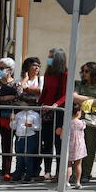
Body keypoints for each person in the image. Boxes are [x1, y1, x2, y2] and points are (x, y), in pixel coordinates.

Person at [73, 62, 96, 181]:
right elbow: (74, 97)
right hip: (79, 119)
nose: (84, 74)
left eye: (87, 71)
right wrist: (91, 100)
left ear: (94, 72)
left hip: (93, 121)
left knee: (90, 147)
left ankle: (86, 174)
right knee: (76, 146)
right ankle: (75, 174)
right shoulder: (79, 84)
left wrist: (83, 100)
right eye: (83, 71)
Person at [36, 49, 68, 182]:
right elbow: (45, 92)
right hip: (47, 112)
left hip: (59, 113)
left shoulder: (65, 74)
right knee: (47, 143)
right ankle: (47, 171)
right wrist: (38, 105)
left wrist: (56, 105)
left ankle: (59, 172)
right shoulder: (48, 73)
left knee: (59, 144)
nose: (48, 59)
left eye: (50, 57)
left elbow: (66, 94)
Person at [60, 103, 87, 189]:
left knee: (68, 164)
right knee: (78, 164)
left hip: (69, 145)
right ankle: (77, 182)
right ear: (78, 112)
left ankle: (66, 182)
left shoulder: (67, 123)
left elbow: (62, 136)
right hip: (79, 145)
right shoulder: (82, 123)